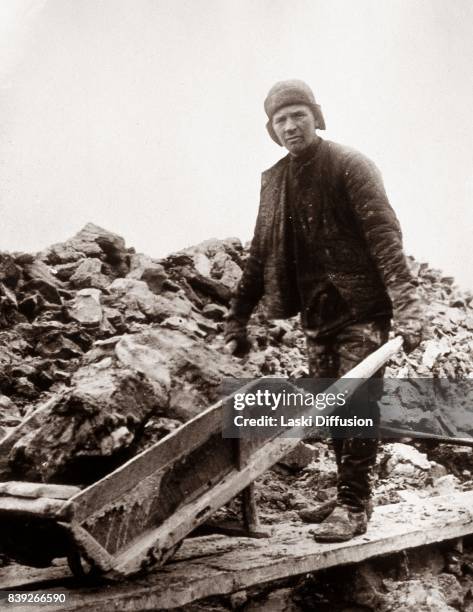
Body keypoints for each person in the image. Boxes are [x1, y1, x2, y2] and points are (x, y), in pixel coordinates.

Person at [224, 79, 423, 542]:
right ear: (272, 129)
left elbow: (384, 238)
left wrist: (408, 307)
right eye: (281, 120)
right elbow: (259, 253)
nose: (291, 126)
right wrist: (237, 315)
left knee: (355, 404)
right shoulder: (274, 182)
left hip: (360, 307)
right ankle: (345, 495)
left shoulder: (349, 165)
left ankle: (354, 504)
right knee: (333, 408)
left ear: (317, 117)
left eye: (299, 115)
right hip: (314, 314)